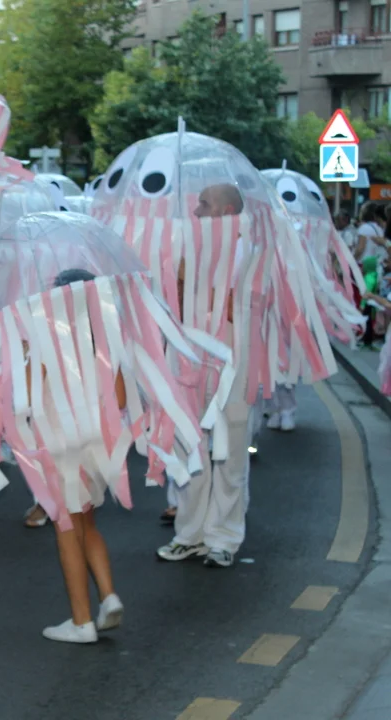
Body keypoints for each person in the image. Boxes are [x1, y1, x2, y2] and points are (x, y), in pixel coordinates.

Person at [156, 183, 251, 569]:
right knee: (188, 448)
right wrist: (180, 281)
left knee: (230, 455)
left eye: (204, 205)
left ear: (226, 212)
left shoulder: (250, 252)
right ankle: (189, 534)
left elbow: (236, 310)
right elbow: (175, 308)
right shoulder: (189, 248)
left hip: (233, 366)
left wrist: (200, 285)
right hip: (189, 361)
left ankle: (224, 538)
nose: (196, 212)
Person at [38, 269, 124, 644]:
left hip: (61, 445)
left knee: (67, 530)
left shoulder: (47, 340)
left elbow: (27, 393)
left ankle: (81, 621)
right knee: (87, 523)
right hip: (96, 446)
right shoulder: (106, 341)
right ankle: (108, 595)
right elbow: (120, 398)